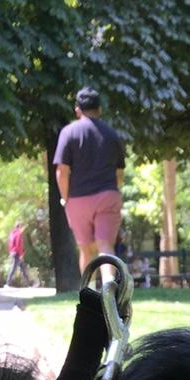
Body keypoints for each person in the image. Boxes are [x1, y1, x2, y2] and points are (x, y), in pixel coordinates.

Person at [53, 86, 125, 278]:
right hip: (107, 195)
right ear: (99, 109)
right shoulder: (111, 134)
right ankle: (109, 292)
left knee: (85, 249)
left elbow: (62, 171)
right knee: (105, 246)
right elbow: (119, 173)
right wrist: (114, 191)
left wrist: (65, 198)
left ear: (77, 109)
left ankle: (89, 295)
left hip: (78, 199)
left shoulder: (68, 133)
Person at [4, 221, 32, 287]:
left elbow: (10, 244)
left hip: (13, 252)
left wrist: (11, 252)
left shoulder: (12, 233)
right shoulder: (18, 234)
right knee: (13, 268)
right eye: (22, 227)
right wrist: (21, 254)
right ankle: (7, 284)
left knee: (23, 268)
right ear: (19, 227)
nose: (23, 229)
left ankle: (29, 284)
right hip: (17, 253)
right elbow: (18, 245)